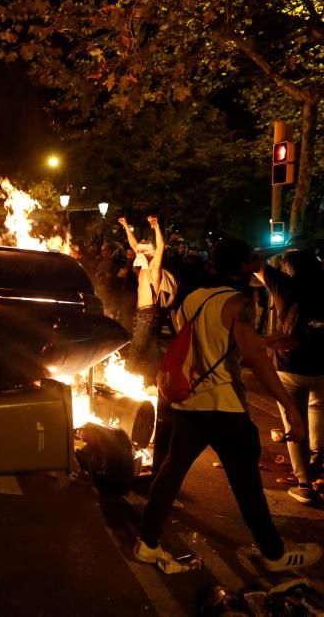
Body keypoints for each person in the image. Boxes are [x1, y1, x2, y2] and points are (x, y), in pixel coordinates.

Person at [136, 238, 321, 572]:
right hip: (225, 406)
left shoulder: (191, 298)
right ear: (246, 266)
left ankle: (147, 542)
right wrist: (290, 408)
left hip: (189, 402)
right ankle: (273, 553)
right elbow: (251, 357)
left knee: (170, 473)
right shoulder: (239, 302)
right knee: (247, 484)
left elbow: (207, 341)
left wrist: (263, 339)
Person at [255, 243, 324, 504]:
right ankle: (317, 458)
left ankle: (304, 484)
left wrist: (283, 245)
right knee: (318, 409)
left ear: (289, 267)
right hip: (322, 365)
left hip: (291, 364)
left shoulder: (285, 284)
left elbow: (254, 258)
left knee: (294, 422)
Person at [118, 215, 172, 376]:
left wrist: (156, 227)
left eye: (144, 248)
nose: (139, 250)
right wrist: (126, 226)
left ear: (152, 253)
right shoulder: (144, 267)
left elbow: (161, 246)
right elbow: (134, 245)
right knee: (153, 351)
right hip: (148, 315)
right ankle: (161, 379)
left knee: (136, 348)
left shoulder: (153, 268)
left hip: (148, 315)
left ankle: (124, 377)